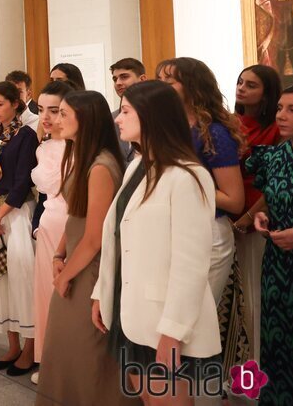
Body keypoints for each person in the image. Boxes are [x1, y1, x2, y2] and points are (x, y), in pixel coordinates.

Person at [92, 80, 220, 401]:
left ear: (151, 116)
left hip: (164, 317)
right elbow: (120, 236)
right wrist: (102, 292)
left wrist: (173, 331)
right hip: (130, 308)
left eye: (125, 112)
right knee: (147, 398)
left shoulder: (188, 175)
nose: (118, 119)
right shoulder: (138, 165)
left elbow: (191, 263)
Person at [36, 91, 132, 405]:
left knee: (86, 355)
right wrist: (58, 253)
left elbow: (95, 236)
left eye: (63, 113)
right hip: (75, 260)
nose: (55, 120)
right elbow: (75, 215)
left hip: (90, 269)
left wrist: (65, 275)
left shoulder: (101, 166)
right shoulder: (82, 157)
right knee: (65, 351)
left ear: (85, 119)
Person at [157, 58, 245, 307]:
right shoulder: (167, 128)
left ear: (192, 87)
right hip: (173, 228)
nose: (161, 86)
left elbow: (234, 200)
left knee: (194, 320)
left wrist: (185, 181)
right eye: (159, 80)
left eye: (169, 81)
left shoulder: (213, 133)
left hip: (208, 232)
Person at [0, 81, 40, 375]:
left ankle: (30, 346)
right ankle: (12, 343)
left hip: (16, 213)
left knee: (21, 278)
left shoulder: (26, 135)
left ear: (16, 103)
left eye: (0, 104)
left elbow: (22, 181)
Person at [230, 64, 282, 364]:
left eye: (251, 85)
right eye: (240, 82)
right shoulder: (229, 124)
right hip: (229, 217)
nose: (241, 88)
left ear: (266, 94)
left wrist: (249, 217)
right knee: (237, 300)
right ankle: (241, 371)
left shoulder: (276, 129)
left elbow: (273, 182)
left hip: (259, 218)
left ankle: (259, 368)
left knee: (256, 295)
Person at [248, 85, 293, 406]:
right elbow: (270, 196)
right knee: (279, 345)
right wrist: (262, 216)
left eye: (292, 109)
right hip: (277, 267)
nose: (282, 115)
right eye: (280, 108)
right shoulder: (277, 155)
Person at [29, 80, 74, 380]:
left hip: (70, 227)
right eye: (42, 109)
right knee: (45, 295)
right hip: (47, 224)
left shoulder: (78, 147)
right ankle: (48, 361)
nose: (46, 117)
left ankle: (70, 364)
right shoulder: (43, 147)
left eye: (54, 110)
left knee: (67, 298)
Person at [109, 58, 147, 163]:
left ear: (143, 79)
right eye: (115, 79)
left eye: (124, 77)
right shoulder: (112, 118)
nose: (118, 83)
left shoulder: (156, 114)